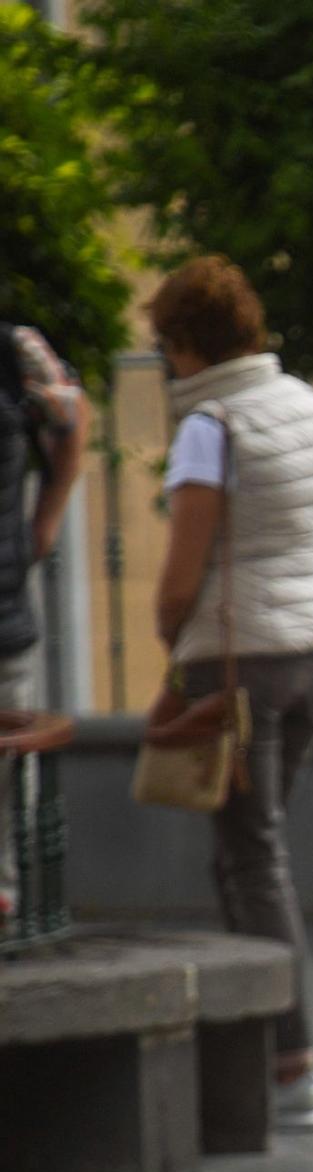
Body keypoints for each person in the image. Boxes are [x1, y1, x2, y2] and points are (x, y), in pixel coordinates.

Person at [147, 256, 313, 1128]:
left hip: (241, 660)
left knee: (253, 858)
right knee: (249, 852)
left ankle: (292, 1064)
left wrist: (171, 635)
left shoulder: (211, 426)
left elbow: (182, 573)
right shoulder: (310, 405)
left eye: (166, 346)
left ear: (187, 344)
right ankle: (256, 1050)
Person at [0, 325, 88, 933]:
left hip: (2, 618)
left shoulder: (13, 351)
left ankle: (2, 905)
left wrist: (46, 523)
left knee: (2, 786)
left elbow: (70, 421)